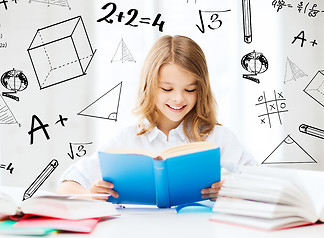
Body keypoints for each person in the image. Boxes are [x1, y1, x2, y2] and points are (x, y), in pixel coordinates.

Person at [56, 35, 256, 202]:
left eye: (190, 89)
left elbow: (261, 181)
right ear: (149, 86)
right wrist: (90, 196)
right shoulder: (126, 139)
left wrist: (232, 191)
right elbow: (67, 184)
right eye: (167, 89)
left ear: (201, 90)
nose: (178, 98)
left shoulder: (216, 137)